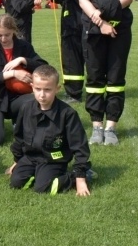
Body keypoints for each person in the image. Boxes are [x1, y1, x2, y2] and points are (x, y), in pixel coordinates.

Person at [75, 0, 138, 146]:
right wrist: (100, 21)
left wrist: (105, 9)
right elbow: (83, 0)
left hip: (120, 30)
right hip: (94, 29)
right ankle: (96, 126)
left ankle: (111, 126)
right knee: (94, 77)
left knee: (116, 77)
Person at [6, 65, 91, 196]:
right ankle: (37, 173)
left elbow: (80, 146)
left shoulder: (67, 114)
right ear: (32, 87)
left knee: (43, 188)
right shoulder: (26, 108)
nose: (42, 95)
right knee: (16, 183)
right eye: (38, 89)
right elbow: (19, 137)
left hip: (53, 159)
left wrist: (80, 179)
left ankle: (73, 177)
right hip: (31, 157)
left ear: (57, 89)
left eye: (47, 90)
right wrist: (17, 161)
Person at [0, 14, 48, 146]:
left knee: (36, 98)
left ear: (14, 31)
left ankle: (20, 122)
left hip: (17, 98)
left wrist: (23, 60)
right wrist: (14, 73)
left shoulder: (24, 46)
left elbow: (43, 67)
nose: (3, 39)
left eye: (7, 35)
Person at [41, 0, 85, 103]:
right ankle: (74, 92)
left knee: (73, 63)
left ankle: (74, 94)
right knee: (70, 62)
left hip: (75, 30)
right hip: (68, 30)